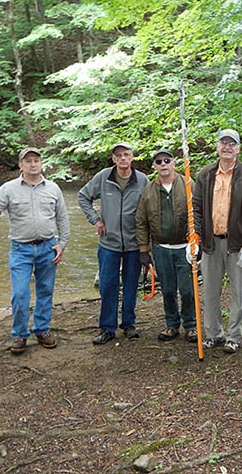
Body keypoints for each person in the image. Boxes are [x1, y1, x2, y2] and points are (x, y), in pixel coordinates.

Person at [0, 147, 70, 354]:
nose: (33, 164)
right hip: (20, 249)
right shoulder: (9, 188)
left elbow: (62, 218)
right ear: (21, 165)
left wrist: (62, 244)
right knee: (19, 293)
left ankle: (42, 330)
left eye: (36, 160)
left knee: (45, 291)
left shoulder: (53, 188)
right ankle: (19, 334)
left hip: (47, 247)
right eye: (28, 161)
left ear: (41, 163)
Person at [192, 129, 242, 354]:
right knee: (210, 291)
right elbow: (196, 209)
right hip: (210, 243)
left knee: (238, 292)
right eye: (224, 143)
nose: (227, 147)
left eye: (232, 144)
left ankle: (234, 335)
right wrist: (194, 237)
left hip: (238, 244)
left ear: (239, 148)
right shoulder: (204, 175)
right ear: (217, 146)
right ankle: (213, 333)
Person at [78, 142, 149, 345]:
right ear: (114, 159)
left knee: (131, 285)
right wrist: (95, 220)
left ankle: (128, 324)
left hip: (134, 244)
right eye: (119, 155)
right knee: (108, 286)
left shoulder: (142, 180)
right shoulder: (104, 177)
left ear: (132, 157)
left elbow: (151, 208)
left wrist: (148, 244)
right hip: (109, 244)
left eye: (126, 154)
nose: (123, 159)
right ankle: (107, 328)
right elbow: (83, 196)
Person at [135, 148, 197, 343]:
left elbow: (199, 214)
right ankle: (172, 325)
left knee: (187, 290)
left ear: (174, 163)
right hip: (161, 249)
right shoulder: (148, 191)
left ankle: (191, 325)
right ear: (154, 166)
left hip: (185, 248)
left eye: (166, 160)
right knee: (168, 290)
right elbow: (141, 221)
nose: (163, 164)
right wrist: (144, 250)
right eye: (159, 162)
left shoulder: (188, 184)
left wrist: (198, 243)